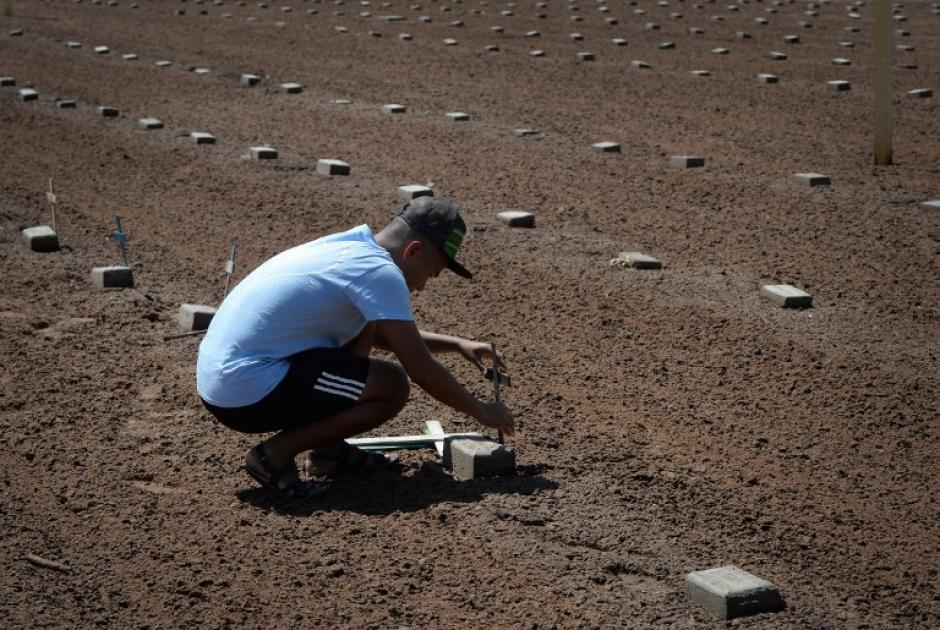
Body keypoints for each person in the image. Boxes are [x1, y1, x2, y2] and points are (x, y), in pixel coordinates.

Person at [196, 197, 514, 499]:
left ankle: (329, 453)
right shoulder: (380, 273)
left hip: (229, 377)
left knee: (365, 327)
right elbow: (420, 369)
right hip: (243, 390)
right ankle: (272, 456)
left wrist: (458, 345)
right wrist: (482, 411)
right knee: (391, 386)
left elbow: (391, 336)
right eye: (431, 273)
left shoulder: (353, 248)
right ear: (414, 250)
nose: (423, 286)